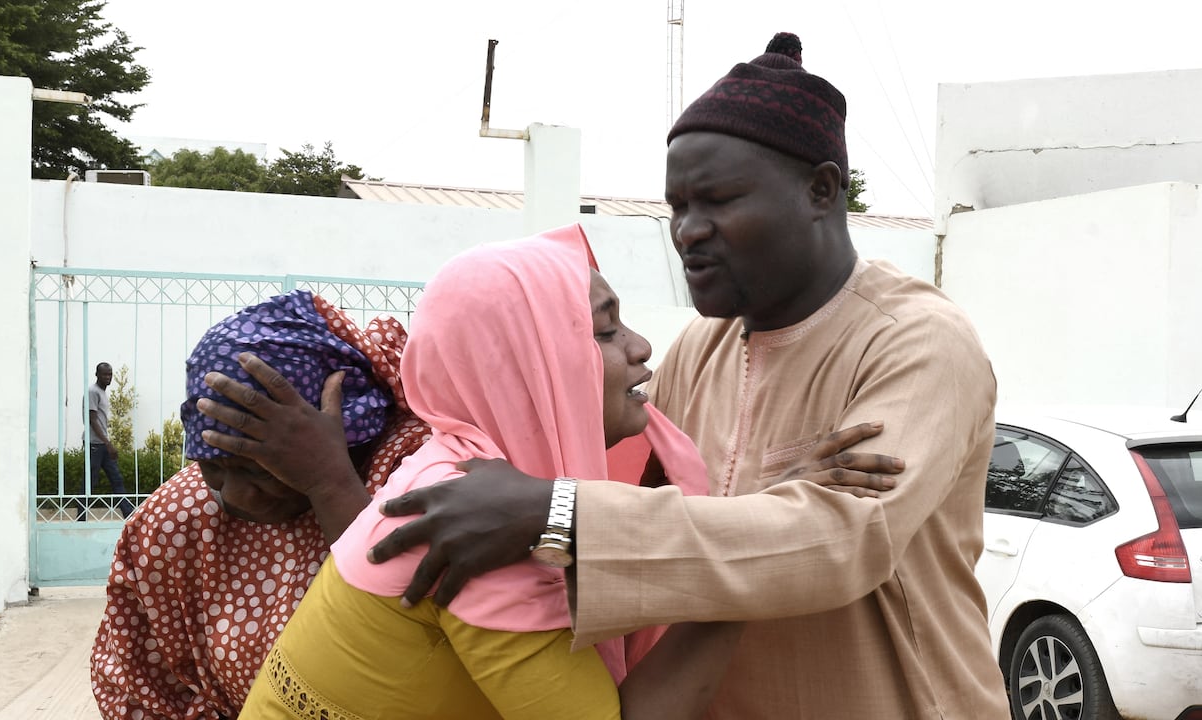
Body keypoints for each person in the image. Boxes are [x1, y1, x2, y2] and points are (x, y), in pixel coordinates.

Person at [363, 32, 1009, 719]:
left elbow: (843, 540)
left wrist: (555, 514)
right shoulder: (702, 348)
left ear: (821, 190)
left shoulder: (914, 342)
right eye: (677, 206)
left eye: (719, 200)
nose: (687, 231)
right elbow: (593, 464)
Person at [238, 226, 750, 720]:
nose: (640, 347)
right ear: (528, 365)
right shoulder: (479, 526)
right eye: (604, 331)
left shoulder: (459, 471)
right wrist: (742, 572)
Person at [90, 290, 431, 719]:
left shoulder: (413, 471)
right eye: (214, 467)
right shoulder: (177, 521)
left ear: (349, 439)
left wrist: (330, 485)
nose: (233, 496)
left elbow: (425, 634)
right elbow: (136, 685)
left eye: (258, 472)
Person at [80, 361, 135, 520]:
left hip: (102, 444)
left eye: (110, 374)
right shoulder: (92, 391)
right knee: (90, 481)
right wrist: (108, 443)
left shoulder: (102, 393)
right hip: (94, 444)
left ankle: (128, 514)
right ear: (97, 374)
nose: (108, 377)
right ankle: (81, 518)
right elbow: (92, 419)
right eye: (104, 374)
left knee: (116, 478)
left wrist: (106, 443)